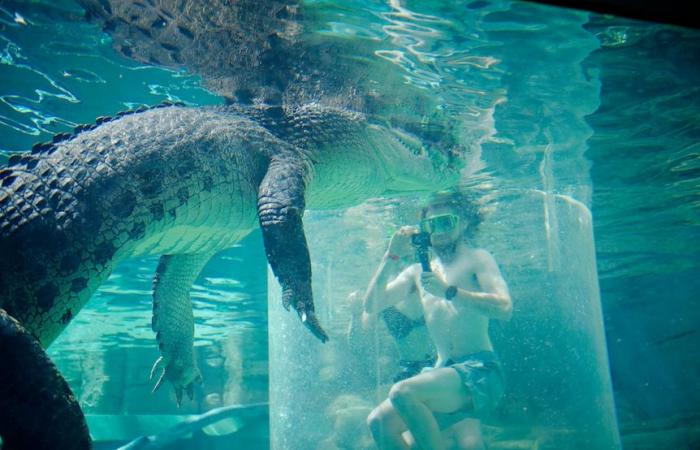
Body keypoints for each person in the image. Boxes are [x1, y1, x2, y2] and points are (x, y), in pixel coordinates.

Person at [363, 190, 512, 450]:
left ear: (463, 222)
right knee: (378, 422)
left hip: (481, 371)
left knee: (403, 392)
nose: (440, 231)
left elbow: (504, 307)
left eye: (447, 222)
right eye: (433, 225)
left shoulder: (477, 258)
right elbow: (371, 305)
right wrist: (391, 256)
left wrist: (450, 292)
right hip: (444, 373)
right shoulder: (417, 273)